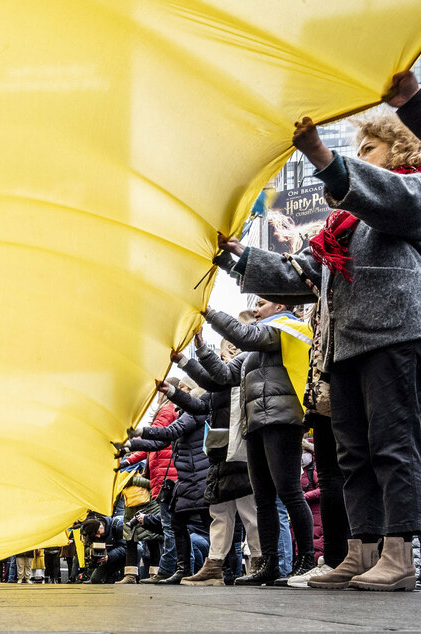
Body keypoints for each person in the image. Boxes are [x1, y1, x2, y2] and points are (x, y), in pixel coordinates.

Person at [215, 81, 421, 590]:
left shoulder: (410, 191)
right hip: (347, 345)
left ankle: (399, 554)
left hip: (394, 334)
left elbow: (388, 197)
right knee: (354, 454)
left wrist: (325, 159)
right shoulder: (340, 225)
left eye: (368, 149)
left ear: (400, 150)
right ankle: (362, 550)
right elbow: (298, 274)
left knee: (393, 445)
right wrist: (234, 257)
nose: (360, 157)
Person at [198, 301, 315, 585]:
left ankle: (307, 560)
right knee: (263, 498)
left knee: (288, 493)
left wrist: (210, 313)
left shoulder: (287, 328)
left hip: (282, 419)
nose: (257, 309)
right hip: (254, 424)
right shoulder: (254, 347)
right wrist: (197, 352)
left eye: (261, 303)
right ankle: (269, 563)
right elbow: (223, 376)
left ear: (280, 304)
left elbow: (246, 336)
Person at [165, 333, 261, 586]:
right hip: (221, 450)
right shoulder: (220, 384)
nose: (221, 359)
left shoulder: (245, 368)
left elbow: (204, 395)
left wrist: (189, 358)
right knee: (221, 510)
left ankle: (260, 562)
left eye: (224, 354)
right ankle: (214, 565)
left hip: (240, 447)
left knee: (247, 509)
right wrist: (173, 391)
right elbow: (199, 406)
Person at [124, 393, 210, 584]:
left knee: (177, 525)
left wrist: (137, 434)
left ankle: (181, 570)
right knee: (176, 524)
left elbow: (163, 436)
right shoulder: (180, 413)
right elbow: (159, 441)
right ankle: (180, 570)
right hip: (181, 477)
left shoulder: (173, 411)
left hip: (180, 477)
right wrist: (130, 452)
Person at [116, 381, 179, 583]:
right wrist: (128, 458)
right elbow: (149, 447)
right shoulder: (169, 411)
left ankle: (162, 571)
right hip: (157, 478)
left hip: (162, 477)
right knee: (152, 531)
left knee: (160, 530)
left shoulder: (167, 410)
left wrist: (129, 447)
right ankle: (150, 572)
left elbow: (153, 440)